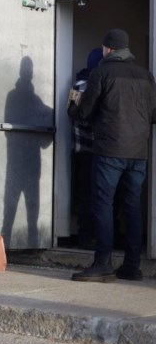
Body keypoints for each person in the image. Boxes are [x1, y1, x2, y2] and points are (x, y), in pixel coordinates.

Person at [68, 29, 156, 282]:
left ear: (107, 49)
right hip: (138, 153)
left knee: (103, 204)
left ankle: (103, 263)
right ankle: (132, 265)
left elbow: (85, 113)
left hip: (109, 150)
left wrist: (74, 106)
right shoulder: (146, 75)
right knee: (131, 206)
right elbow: (154, 115)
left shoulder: (102, 72)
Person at [68, 47, 103, 249]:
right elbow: (81, 116)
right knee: (94, 196)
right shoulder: (85, 85)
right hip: (91, 149)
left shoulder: (77, 83)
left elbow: (71, 111)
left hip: (82, 149)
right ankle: (89, 237)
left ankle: (86, 236)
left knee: (86, 195)